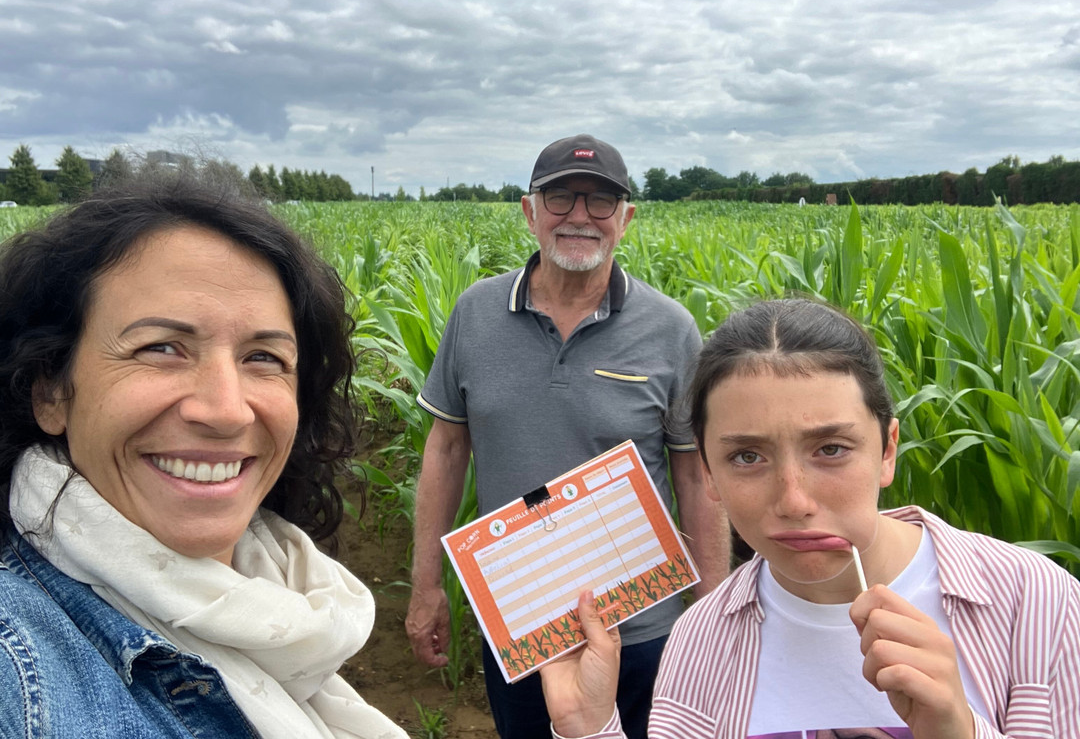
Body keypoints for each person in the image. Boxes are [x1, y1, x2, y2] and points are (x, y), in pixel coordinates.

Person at [540, 298, 1080, 739]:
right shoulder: (699, 641)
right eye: (747, 457)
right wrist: (587, 728)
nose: (794, 501)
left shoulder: (1034, 602)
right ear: (708, 472)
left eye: (831, 449)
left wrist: (960, 732)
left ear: (888, 450)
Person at [0, 177, 408, 739]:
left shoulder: (291, 599)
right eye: (161, 348)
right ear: (50, 390)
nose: (227, 411)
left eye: (263, 357)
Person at [406, 134, 730, 739]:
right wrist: (426, 585)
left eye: (600, 201)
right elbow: (446, 451)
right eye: (560, 198)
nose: (580, 215)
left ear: (625, 220)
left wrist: (713, 612)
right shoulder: (475, 314)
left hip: (640, 625)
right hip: (521, 622)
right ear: (529, 212)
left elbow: (695, 477)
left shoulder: (671, 329)